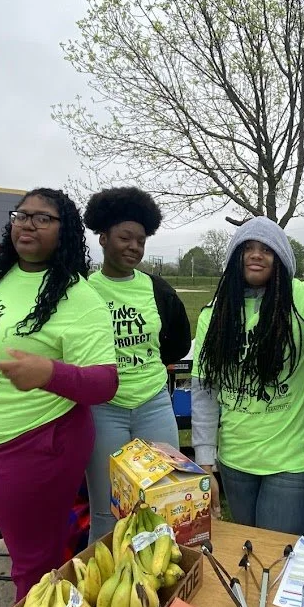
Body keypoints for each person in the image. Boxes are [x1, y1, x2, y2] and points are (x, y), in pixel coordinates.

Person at [0, 188, 118, 607]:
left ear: (64, 231)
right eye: (21, 214)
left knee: (33, 566)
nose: (27, 223)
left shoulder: (78, 298)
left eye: (42, 218)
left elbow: (105, 383)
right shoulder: (0, 277)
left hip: (33, 447)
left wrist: (49, 373)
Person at [191, 216, 304, 535]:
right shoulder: (215, 313)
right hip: (236, 461)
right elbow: (204, 391)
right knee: (248, 554)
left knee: (276, 560)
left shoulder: (303, 298)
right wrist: (206, 463)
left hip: (292, 462)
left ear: (281, 258)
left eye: (267, 249)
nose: (256, 254)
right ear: (233, 258)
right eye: (247, 248)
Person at [82, 187, 192, 541]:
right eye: (124, 238)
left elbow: (175, 343)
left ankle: (161, 580)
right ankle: (107, 587)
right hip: (103, 410)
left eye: (140, 241)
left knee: (162, 501)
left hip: (153, 405)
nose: (133, 247)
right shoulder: (83, 290)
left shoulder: (158, 290)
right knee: (107, 509)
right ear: (103, 239)